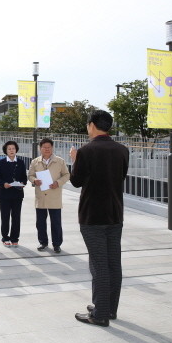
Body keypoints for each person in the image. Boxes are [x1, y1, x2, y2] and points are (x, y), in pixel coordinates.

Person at [70, 110, 129, 327]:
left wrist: (75, 160)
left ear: (92, 125)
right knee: (113, 262)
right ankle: (108, 308)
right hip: (115, 213)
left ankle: (100, 314)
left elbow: (76, 181)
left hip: (93, 215)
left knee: (99, 265)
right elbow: (121, 176)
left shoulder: (86, 151)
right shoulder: (122, 150)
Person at [28, 138, 70, 254]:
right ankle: (43, 242)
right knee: (40, 222)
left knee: (56, 222)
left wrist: (58, 183)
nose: (47, 149)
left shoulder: (60, 161)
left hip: (54, 195)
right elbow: (30, 175)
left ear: (52, 148)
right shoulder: (35, 162)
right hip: (41, 196)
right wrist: (34, 180)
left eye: (49, 147)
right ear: (40, 148)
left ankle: (57, 244)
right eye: (44, 147)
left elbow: (66, 175)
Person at [0, 140, 28, 247]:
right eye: (9, 149)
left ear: (16, 150)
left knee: (16, 217)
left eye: (13, 148)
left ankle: (15, 238)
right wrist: (3, 184)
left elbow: (24, 177)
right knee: (5, 217)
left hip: (17, 194)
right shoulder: (1, 162)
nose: (11, 150)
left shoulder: (21, 162)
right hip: (4, 194)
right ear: (6, 150)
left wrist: (22, 183)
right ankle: (5, 237)